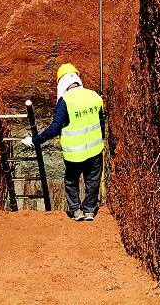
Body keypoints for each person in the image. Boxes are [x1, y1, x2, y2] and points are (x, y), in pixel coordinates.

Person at [21, 63, 105, 222]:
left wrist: (34, 140)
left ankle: (76, 211)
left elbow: (54, 128)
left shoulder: (65, 101)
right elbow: (101, 122)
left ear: (61, 83)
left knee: (71, 181)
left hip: (74, 155)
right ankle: (89, 211)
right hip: (95, 151)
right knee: (92, 182)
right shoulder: (95, 96)